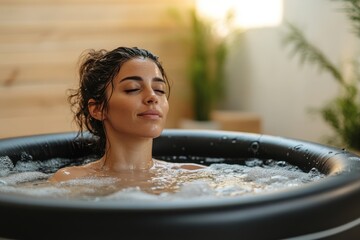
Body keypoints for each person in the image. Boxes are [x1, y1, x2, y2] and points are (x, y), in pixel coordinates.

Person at [49, 46, 204, 185]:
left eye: (159, 90)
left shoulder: (193, 177)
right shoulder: (70, 181)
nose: (153, 97)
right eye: (132, 88)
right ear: (98, 109)